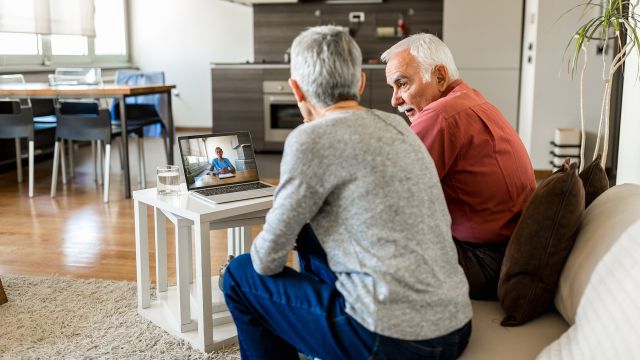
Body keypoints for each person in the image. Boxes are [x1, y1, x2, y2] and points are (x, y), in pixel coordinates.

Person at [222, 26, 472, 360]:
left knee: (240, 275)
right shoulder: (399, 125)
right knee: (311, 232)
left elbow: (267, 261)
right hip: (455, 325)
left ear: (296, 89)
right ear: (360, 84)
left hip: (395, 340)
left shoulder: (309, 139)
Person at [381, 34, 536, 300]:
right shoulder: (471, 100)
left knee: (330, 229)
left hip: (484, 262)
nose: (395, 100)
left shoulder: (440, 116)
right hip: (506, 251)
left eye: (402, 84)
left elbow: (387, 197)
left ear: (439, 77)